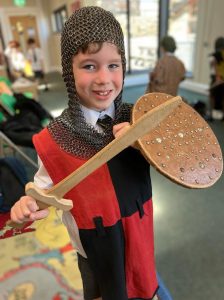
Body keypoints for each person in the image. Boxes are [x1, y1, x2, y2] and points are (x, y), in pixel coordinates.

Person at [10, 7, 170, 300]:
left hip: (139, 232)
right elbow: (44, 192)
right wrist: (27, 205)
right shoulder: (54, 139)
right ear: (68, 71)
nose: (103, 79)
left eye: (113, 65)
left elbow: (169, 160)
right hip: (93, 246)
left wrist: (144, 144)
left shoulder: (138, 118)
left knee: (143, 283)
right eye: (89, 66)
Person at [208, 36, 224, 122]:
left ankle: (211, 115)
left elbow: (213, 68)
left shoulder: (214, 56)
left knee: (212, 97)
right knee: (223, 98)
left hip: (217, 78)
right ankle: (222, 116)